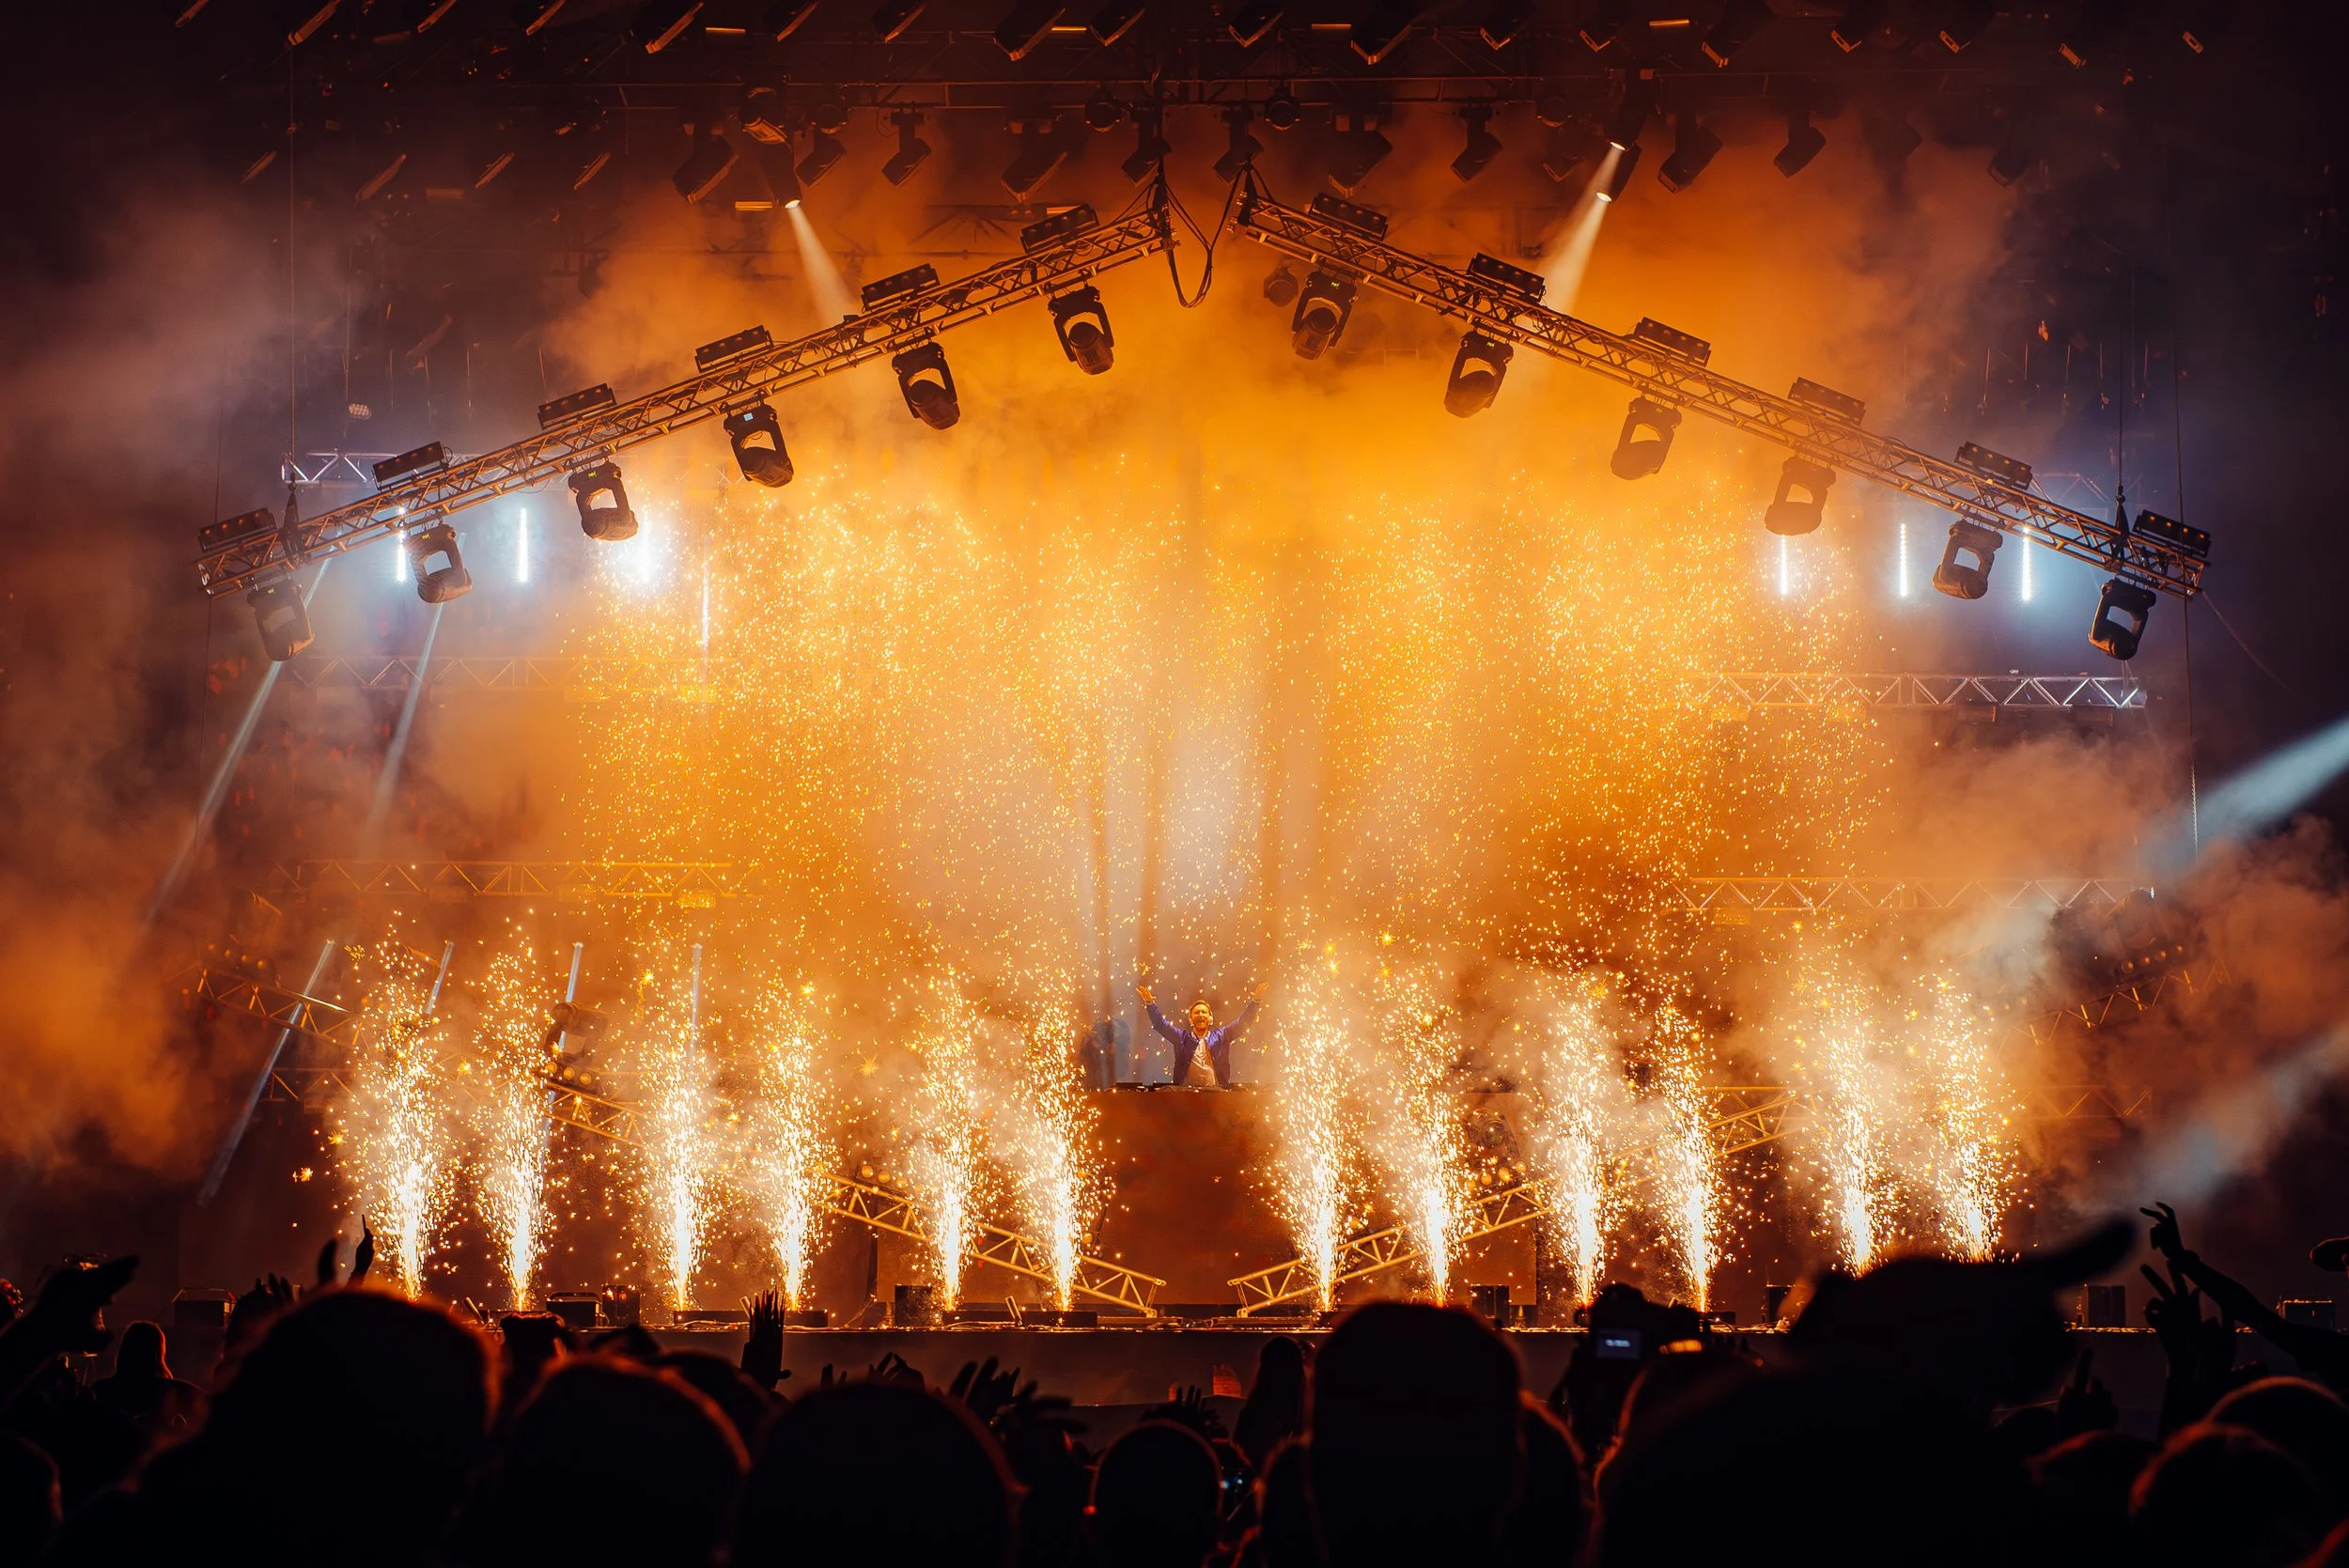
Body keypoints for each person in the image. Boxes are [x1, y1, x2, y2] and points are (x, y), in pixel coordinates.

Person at [1138, 981, 1267, 1088]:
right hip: (1186, 1095)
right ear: (1191, 1019)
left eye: (1204, 1012)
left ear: (1210, 1018)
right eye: (1197, 1012)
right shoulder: (1181, 1038)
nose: (1200, 1015)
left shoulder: (1222, 1036)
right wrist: (1150, 1003)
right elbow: (1160, 1024)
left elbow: (1243, 1023)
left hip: (1217, 1094)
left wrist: (1255, 1002)